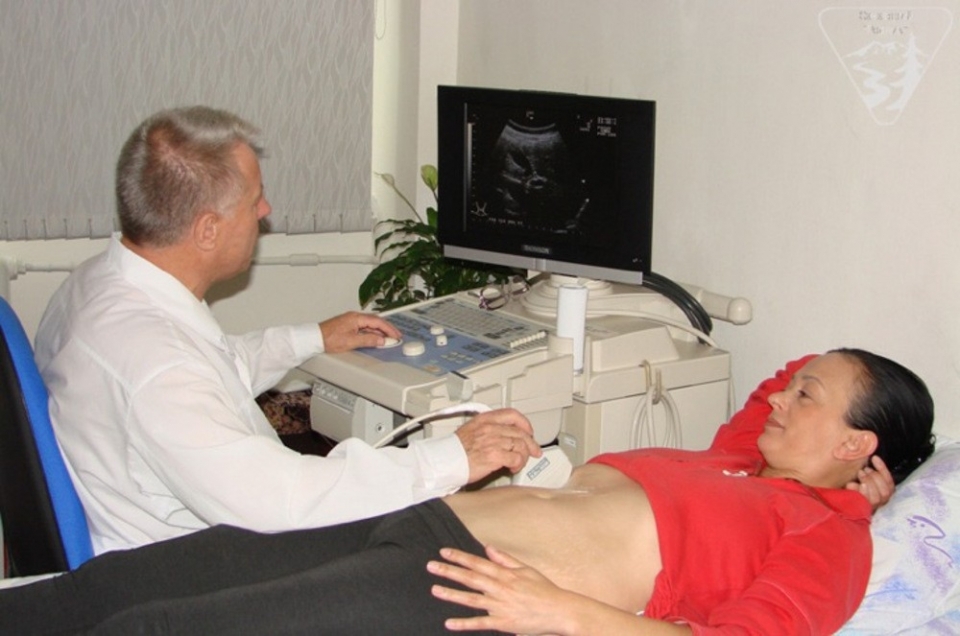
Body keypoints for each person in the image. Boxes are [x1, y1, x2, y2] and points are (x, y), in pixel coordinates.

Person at [0, 349, 934, 635]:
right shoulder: (738, 461)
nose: (781, 396)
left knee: (161, 631)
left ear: (856, 443)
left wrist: (560, 612)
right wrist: (829, 418)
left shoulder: (829, 534)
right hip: (408, 517)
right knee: (117, 586)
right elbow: (784, 371)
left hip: (467, 582)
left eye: (807, 396)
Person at [35, 106, 539, 555]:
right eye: (254, 200)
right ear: (207, 230)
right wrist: (451, 457)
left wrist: (311, 339)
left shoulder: (100, 283)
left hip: (180, 520)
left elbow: (212, 368)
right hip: (195, 574)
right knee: (460, 538)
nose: (265, 211)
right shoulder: (157, 366)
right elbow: (282, 501)